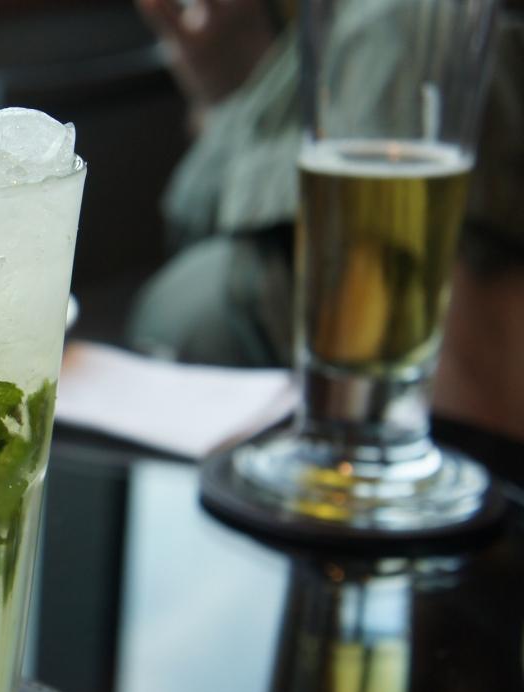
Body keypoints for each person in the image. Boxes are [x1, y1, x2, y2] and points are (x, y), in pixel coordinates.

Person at [127, 0, 524, 441]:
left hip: (408, 423)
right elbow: (206, 201)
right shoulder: (312, 36)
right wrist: (226, 86)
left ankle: (433, 446)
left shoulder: (399, 26)